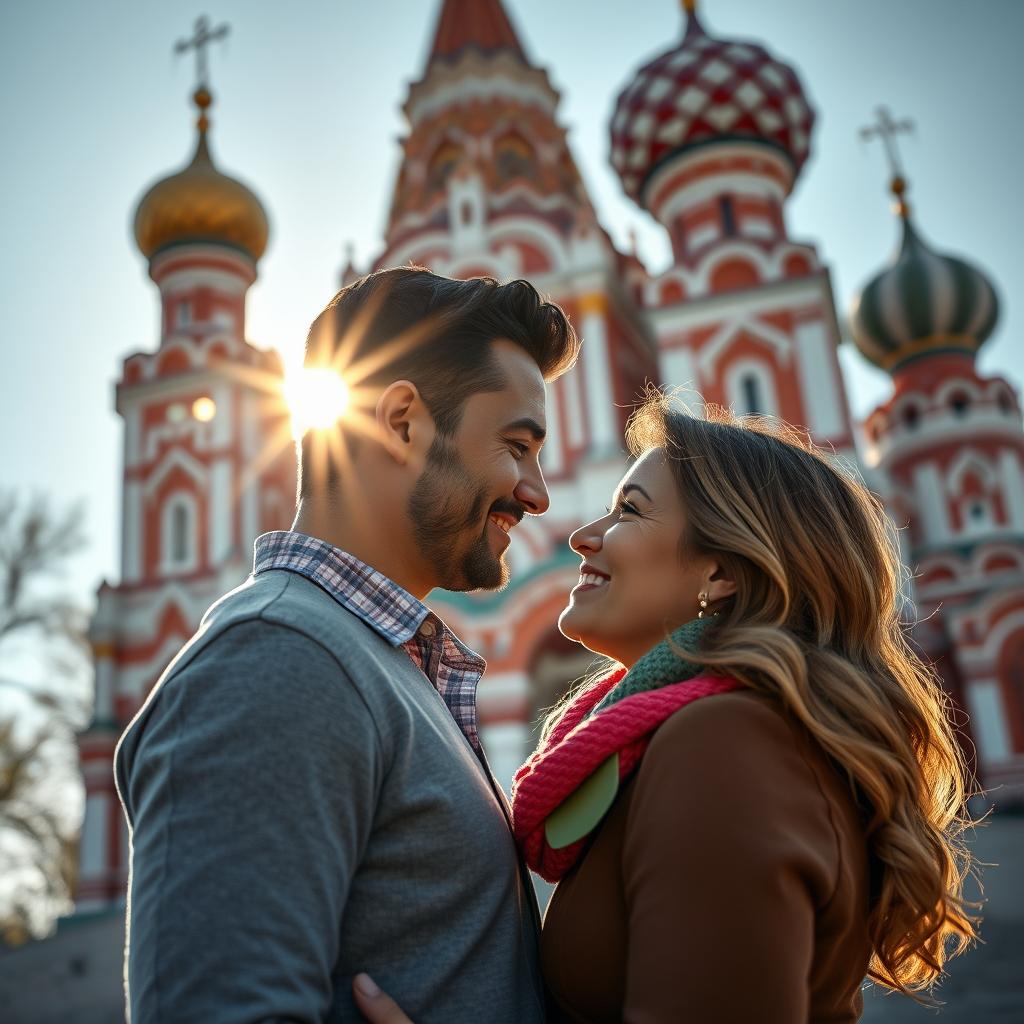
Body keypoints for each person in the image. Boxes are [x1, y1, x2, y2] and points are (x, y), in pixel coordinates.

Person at [354, 393, 976, 1023]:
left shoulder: (725, 743)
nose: (582, 535)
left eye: (629, 511)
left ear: (720, 572)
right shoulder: (698, 731)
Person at [114, 266, 579, 1022]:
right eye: (517, 445)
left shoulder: (369, 658)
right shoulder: (278, 658)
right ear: (401, 422)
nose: (537, 491)